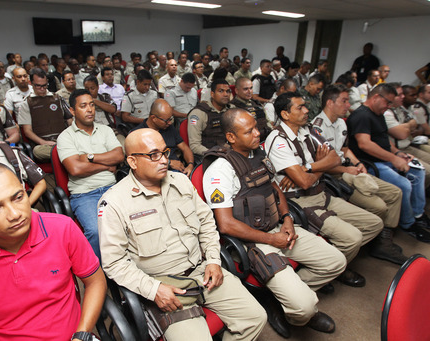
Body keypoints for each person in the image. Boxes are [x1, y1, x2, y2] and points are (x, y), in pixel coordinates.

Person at [98, 128, 267, 341]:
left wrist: (214, 260)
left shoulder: (180, 181)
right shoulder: (114, 203)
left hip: (203, 271)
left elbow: (206, 222)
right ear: (132, 161)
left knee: (256, 317)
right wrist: (154, 290)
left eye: (165, 153)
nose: (164, 161)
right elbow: (114, 263)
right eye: (153, 155)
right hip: (165, 285)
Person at [204, 109, 345, 334]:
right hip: (253, 242)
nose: (257, 134)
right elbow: (226, 224)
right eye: (249, 131)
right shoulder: (219, 171)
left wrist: (287, 218)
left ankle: (285, 302)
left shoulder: (258, 154)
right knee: (305, 306)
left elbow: (275, 188)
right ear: (231, 137)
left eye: (256, 127)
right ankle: (297, 307)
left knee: (336, 261)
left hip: (278, 227)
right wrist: (272, 239)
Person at [0, 162, 106, 341]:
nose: (15, 214)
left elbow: (95, 281)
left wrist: (82, 334)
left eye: (18, 197)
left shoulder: (62, 228)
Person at [265, 92, 384, 287]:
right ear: (285, 114)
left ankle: (335, 267)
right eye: (300, 108)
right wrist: (321, 163)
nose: (306, 111)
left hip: (322, 193)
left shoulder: (308, 130)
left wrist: (311, 166)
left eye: (305, 106)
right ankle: (312, 279)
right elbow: (303, 182)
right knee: (353, 238)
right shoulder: (278, 139)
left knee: (374, 223)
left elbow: (336, 158)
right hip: (300, 201)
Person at [312, 84, 407, 264]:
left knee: (395, 193)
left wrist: (357, 163)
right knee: (379, 206)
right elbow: (322, 165)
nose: (348, 105)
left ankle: (383, 240)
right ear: (330, 103)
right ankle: (373, 243)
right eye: (344, 101)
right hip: (333, 176)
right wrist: (346, 169)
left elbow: (346, 150)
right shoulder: (317, 128)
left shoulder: (341, 122)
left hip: (348, 169)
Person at [347, 83, 430, 242]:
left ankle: (418, 214)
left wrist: (398, 153)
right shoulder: (362, 115)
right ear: (376, 97)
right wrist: (393, 159)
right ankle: (408, 223)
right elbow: (365, 144)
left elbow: (384, 141)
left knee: (417, 172)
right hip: (370, 163)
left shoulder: (378, 114)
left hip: (384, 158)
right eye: (388, 102)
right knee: (404, 184)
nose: (389, 106)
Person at [57, 89, 124, 259]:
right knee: (96, 231)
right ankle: (100, 275)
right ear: (72, 111)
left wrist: (89, 157)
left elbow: (118, 156)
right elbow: (76, 169)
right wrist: (106, 166)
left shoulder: (105, 130)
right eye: (83, 106)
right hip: (85, 194)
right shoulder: (65, 137)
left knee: (134, 219)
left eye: (92, 105)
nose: (90, 109)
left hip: (112, 189)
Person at [17, 68, 73, 162]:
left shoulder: (57, 98)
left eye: (44, 85)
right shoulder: (27, 103)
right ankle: (69, 153)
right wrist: (43, 142)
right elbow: (27, 131)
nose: (42, 89)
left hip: (63, 140)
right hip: (44, 145)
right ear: (31, 83)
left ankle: (66, 151)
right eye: (38, 86)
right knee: (37, 151)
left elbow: (70, 121)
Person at [131, 99, 194, 175]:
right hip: (153, 174)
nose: (170, 123)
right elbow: (140, 162)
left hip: (177, 172)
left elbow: (184, 147)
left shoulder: (169, 128)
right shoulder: (137, 134)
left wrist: (190, 164)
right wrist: (169, 162)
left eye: (171, 119)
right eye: (166, 120)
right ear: (153, 118)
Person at [187, 79, 234, 160]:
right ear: (212, 94)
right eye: (221, 91)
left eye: (228, 91)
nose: (225, 94)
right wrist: (216, 154)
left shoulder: (232, 110)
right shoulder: (199, 113)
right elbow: (195, 146)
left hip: (232, 152)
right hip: (210, 156)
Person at [231, 77, 271, 142]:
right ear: (236, 91)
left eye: (251, 88)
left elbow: (268, 122)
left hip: (266, 139)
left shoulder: (257, 104)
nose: (249, 91)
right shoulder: (232, 107)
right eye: (245, 89)